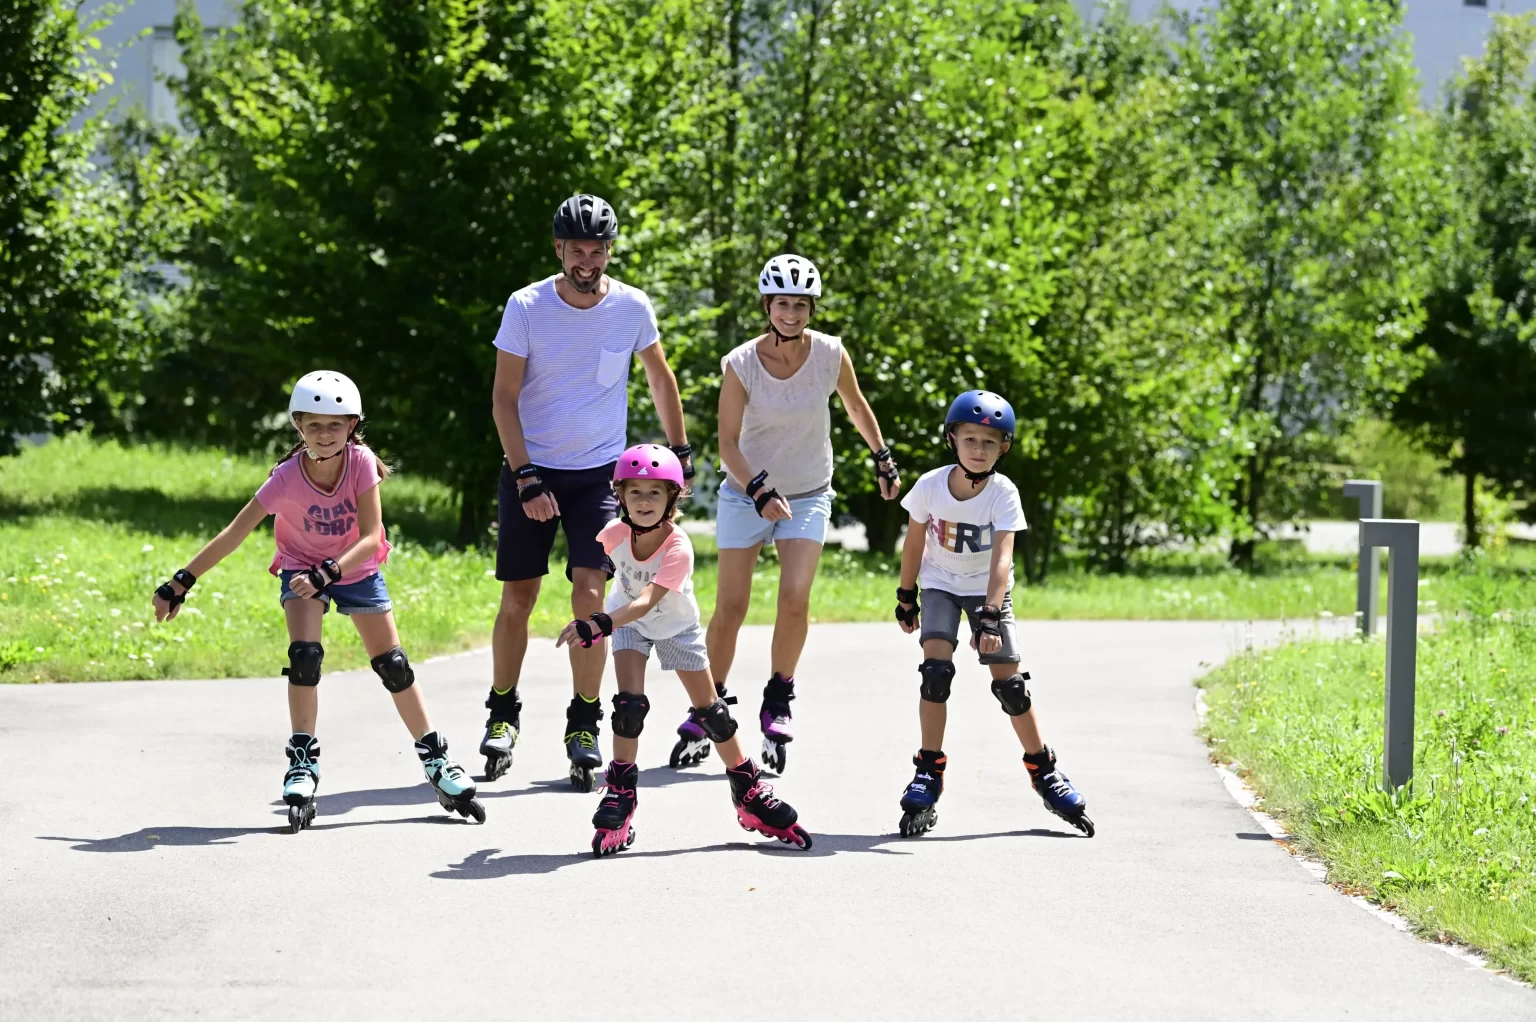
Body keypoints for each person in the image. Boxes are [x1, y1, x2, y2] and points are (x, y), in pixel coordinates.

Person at [150, 371, 483, 832]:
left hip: (354, 568)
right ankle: (303, 762)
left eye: (334, 425)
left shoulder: (361, 463)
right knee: (304, 658)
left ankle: (436, 760)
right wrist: (180, 582)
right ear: (298, 427)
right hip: (300, 565)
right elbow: (235, 532)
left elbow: (372, 537)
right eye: (314, 425)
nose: (324, 435)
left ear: (352, 426)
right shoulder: (286, 478)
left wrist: (329, 572)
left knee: (394, 664)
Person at [483, 194, 692, 792]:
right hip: (533, 468)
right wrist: (526, 475)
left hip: (602, 476)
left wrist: (678, 452)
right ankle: (503, 712)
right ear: (559, 250)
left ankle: (583, 721)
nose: (588, 259)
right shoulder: (526, 306)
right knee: (519, 596)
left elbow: (659, 375)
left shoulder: (631, 306)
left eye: (598, 249)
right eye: (578, 249)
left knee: (591, 592)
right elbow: (503, 396)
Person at [669, 253, 898, 776]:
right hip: (743, 492)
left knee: (795, 598)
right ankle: (709, 703)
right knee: (731, 605)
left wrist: (882, 458)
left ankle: (778, 698)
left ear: (811, 307)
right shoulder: (741, 363)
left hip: (809, 490)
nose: (791, 313)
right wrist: (758, 489)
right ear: (766, 306)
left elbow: (857, 407)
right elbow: (727, 444)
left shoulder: (831, 355)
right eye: (782, 303)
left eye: (800, 304)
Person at [556, 445, 811, 856]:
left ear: (672, 498)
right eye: (634, 491)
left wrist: (598, 622)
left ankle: (747, 789)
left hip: (674, 625)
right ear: (619, 495)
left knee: (712, 714)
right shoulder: (613, 533)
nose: (643, 501)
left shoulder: (679, 547)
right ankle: (621, 791)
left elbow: (649, 600)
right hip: (630, 625)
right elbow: (612, 583)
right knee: (628, 706)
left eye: (654, 493)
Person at [892, 390, 1093, 838]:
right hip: (941, 584)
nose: (978, 450)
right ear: (952, 440)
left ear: (1003, 447)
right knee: (935, 673)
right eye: (970, 440)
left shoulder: (1003, 493)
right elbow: (913, 543)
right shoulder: (929, 486)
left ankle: (1044, 771)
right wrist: (907, 595)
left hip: (988, 591)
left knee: (1011, 686)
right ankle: (929, 770)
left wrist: (988, 615)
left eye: (989, 442)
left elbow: (1002, 558)